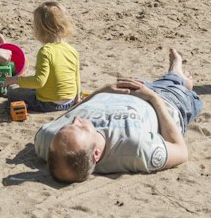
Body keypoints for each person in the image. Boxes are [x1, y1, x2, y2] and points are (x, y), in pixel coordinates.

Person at [36, 49, 201, 182]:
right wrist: (153, 97)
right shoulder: (135, 151)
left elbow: (70, 113)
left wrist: (101, 90)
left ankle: (175, 78)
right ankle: (177, 78)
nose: (76, 119)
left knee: (154, 80)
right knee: (177, 86)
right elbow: (181, 151)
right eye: (81, 128)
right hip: (166, 101)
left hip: (120, 90)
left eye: (69, 125)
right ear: (96, 154)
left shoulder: (50, 141)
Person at [7, 0, 80, 112]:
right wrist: (77, 99)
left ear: (40, 29)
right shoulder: (72, 50)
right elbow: (76, 78)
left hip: (48, 104)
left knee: (13, 93)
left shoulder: (46, 51)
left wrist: (16, 80)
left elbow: (39, 81)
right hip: (69, 102)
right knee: (31, 89)